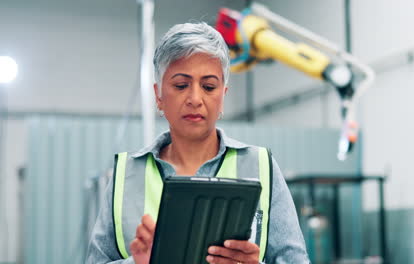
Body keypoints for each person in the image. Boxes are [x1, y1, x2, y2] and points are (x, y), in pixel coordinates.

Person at [86, 22, 310, 264]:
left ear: (223, 95)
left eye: (208, 86)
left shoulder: (261, 168)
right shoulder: (126, 175)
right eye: (181, 85)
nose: (195, 99)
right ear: (159, 96)